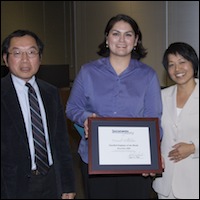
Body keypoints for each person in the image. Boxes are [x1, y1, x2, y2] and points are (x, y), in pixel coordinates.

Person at [66, 14, 163, 199]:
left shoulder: (148, 75)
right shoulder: (88, 72)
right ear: (107, 38)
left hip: (136, 159)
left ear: (136, 41)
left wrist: (153, 157)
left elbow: (154, 119)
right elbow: (72, 108)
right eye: (116, 33)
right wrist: (86, 117)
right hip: (95, 158)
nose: (121, 40)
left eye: (128, 35)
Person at [1, 29, 76, 199]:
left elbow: (61, 142)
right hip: (11, 185)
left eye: (32, 52)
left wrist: (68, 185)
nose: (25, 59)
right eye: (17, 53)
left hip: (51, 181)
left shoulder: (51, 92)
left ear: (40, 58)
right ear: (5, 59)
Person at [152, 42, 199, 199]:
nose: (177, 69)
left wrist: (194, 147)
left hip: (195, 184)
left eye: (182, 62)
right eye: (171, 65)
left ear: (193, 63)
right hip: (165, 184)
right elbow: (153, 132)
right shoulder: (161, 96)